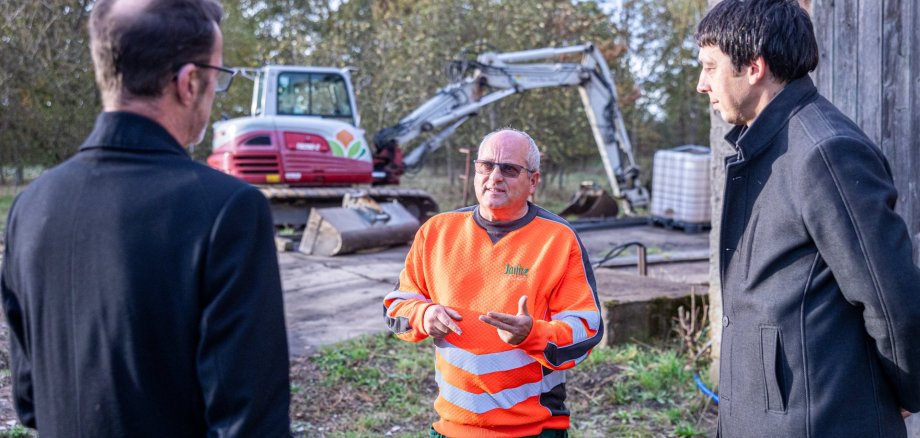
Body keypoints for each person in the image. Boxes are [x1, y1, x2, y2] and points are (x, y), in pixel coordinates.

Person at [0, 0, 291, 436]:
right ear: (189, 82)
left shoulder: (31, 206)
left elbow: (29, 400)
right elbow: (250, 424)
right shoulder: (228, 210)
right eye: (217, 78)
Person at [696, 0, 920, 436]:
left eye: (709, 67)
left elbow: (893, 300)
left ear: (754, 67)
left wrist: (909, 395)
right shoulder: (764, 146)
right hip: (768, 417)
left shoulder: (825, 151)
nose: (702, 84)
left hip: (817, 421)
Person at [383, 129, 603, 437]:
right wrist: (424, 315)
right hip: (451, 429)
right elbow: (395, 308)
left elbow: (587, 330)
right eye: (486, 165)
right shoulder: (437, 232)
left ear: (533, 182)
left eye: (510, 169)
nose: (495, 177)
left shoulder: (558, 239)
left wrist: (533, 334)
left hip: (534, 430)